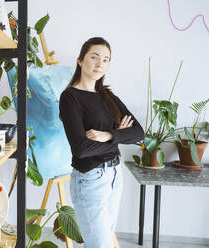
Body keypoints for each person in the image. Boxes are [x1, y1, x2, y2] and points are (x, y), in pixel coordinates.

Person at [59, 37, 144, 248]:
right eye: (94, 57)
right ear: (80, 60)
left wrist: (109, 135)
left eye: (106, 60)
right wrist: (120, 135)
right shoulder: (70, 97)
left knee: (101, 242)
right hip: (90, 179)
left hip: (115, 175)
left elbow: (139, 132)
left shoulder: (107, 95)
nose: (100, 64)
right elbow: (81, 149)